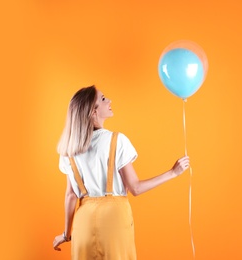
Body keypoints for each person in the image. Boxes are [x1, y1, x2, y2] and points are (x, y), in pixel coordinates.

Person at [53, 85, 190, 259]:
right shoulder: (117, 140)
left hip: (83, 223)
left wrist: (66, 234)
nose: (109, 101)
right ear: (93, 112)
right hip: (114, 220)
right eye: (103, 99)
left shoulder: (69, 150)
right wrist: (173, 172)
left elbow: (71, 196)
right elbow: (135, 188)